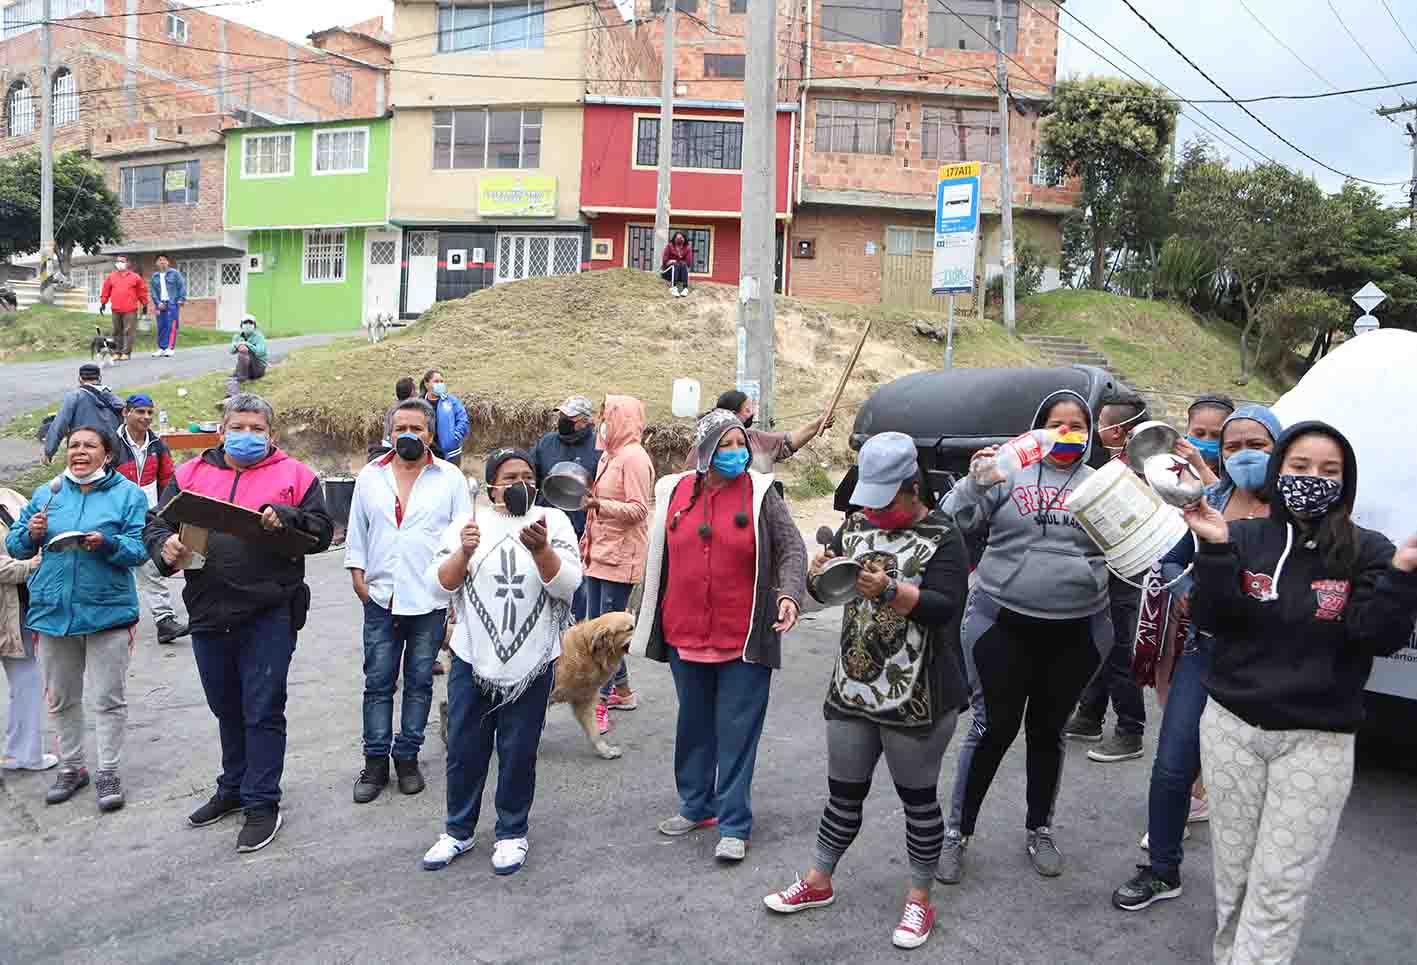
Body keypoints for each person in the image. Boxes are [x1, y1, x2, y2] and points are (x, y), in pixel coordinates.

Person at [1184, 421, 1417, 964]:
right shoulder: (1241, 537)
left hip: (1318, 743)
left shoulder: (1368, 551)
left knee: (1279, 888)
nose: (1313, 479)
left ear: (1346, 483)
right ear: (1279, 472)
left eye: (1329, 471)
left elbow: (1377, 637)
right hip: (1231, 731)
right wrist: (1214, 549)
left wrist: (1403, 577)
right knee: (1235, 879)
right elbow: (1214, 618)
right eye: (1300, 467)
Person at [762, 432, 970, 950]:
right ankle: (818, 880)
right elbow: (831, 590)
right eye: (867, 501)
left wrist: (894, 591)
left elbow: (947, 607)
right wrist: (815, 577)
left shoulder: (945, 535)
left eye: (884, 501)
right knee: (842, 794)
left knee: (917, 801)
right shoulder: (857, 526)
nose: (872, 511)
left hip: (919, 695)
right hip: (853, 689)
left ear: (910, 486)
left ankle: (920, 899)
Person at [144, 394, 333, 854]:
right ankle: (232, 787)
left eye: (256, 428)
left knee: (262, 707)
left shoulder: (297, 476)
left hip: (270, 610)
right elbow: (155, 524)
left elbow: (322, 533)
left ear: (271, 434)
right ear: (221, 429)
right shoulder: (190, 475)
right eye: (238, 427)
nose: (247, 435)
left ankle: (262, 802)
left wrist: (285, 517)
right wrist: (165, 546)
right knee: (225, 706)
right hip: (208, 610)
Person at [1112, 404, 1282, 913]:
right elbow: (1172, 557)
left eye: (1257, 445)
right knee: (1171, 767)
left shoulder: (1295, 512)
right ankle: (1162, 869)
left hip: (1269, 665)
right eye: (1233, 447)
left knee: (1258, 784)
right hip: (1202, 652)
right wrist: (1183, 584)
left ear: (1280, 450)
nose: (1243, 455)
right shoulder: (1214, 499)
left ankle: (1259, 889)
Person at [938, 389, 1109, 881]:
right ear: (1037, 428)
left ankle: (1040, 829)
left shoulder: (1100, 484)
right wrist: (975, 484)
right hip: (1001, 623)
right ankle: (956, 834)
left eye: (1078, 425)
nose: (1067, 432)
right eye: (1057, 423)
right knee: (992, 728)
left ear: (1091, 432)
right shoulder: (1005, 471)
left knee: (1047, 732)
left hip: (1077, 631)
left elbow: (1130, 548)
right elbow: (949, 516)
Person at [632, 410, 806, 862]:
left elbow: (791, 548)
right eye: (725, 446)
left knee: (736, 730)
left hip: (744, 636)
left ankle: (733, 823)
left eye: (741, 445)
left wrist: (788, 594)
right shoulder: (673, 491)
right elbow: (659, 559)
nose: (737, 454)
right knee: (693, 725)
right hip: (684, 633)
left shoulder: (762, 493)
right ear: (705, 450)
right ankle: (696, 805)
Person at [420, 448, 582, 875]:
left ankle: (512, 833)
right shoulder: (466, 524)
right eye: (509, 477)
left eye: (527, 476)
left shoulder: (554, 521)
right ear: (491, 484)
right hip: (473, 658)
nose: (519, 485)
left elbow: (568, 586)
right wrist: (464, 553)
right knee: (465, 750)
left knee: (518, 750)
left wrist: (544, 550)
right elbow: (438, 587)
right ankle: (458, 831)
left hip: (533, 660)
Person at [5, 426, 148, 811]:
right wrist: (30, 533)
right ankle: (71, 767)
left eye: (89, 446)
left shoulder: (128, 495)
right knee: (62, 698)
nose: (79, 452)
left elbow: (139, 549)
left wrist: (108, 544)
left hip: (107, 611)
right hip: (53, 613)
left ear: (107, 455)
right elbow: (15, 544)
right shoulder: (47, 493)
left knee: (107, 699)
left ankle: (108, 772)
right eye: (74, 446)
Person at [345, 399, 471, 805]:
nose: (408, 435)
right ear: (389, 433)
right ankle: (375, 761)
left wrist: (453, 593)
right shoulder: (370, 476)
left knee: (419, 684)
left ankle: (408, 758)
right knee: (378, 683)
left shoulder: (450, 479)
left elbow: (463, 538)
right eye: (401, 427)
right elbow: (357, 531)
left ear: (431, 435)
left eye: (417, 428)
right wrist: (358, 577)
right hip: (380, 597)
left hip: (429, 599)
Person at [1064, 391, 1152, 762]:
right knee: (1101, 641)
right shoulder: (1117, 466)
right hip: (1109, 571)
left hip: (1128, 573)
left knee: (1118, 648)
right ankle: (1090, 714)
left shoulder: (1137, 471)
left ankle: (1130, 730)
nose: (1096, 429)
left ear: (1117, 430)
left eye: (1100, 423)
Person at [583, 395, 654, 734]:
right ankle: (622, 691)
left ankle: (600, 703)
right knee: (599, 627)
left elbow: (639, 510)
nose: (602, 420)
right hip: (599, 554)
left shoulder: (634, 458)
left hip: (620, 557)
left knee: (606, 636)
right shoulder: (610, 455)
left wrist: (599, 504)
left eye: (606, 414)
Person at [111, 393, 186, 646]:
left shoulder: (157, 444)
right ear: (126, 413)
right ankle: (113, 618)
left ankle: (164, 620)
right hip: (116, 515)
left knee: (147, 564)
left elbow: (168, 480)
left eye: (150, 413)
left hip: (147, 516)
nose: (146, 417)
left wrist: (168, 513)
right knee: (113, 565)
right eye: (140, 412)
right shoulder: (111, 443)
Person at [0, 488, 56, 774]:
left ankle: (25, 753)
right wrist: (29, 566)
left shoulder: (10, 496)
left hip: (14, 609)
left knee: (28, 681)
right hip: (12, 596)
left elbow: (26, 536)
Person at [530, 395, 601, 621]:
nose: (562, 420)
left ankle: (573, 627)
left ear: (584, 421)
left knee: (575, 584)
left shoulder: (598, 447)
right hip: (546, 525)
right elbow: (532, 474)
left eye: (568, 417)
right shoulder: (547, 442)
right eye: (561, 415)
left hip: (580, 530)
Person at [682, 390, 833, 476]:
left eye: (742, 443)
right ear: (733, 414)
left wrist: (817, 423)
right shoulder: (702, 448)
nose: (737, 449)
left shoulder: (755, 437)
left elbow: (787, 441)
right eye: (726, 444)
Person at [43, 364, 123, 464]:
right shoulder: (114, 398)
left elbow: (60, 424)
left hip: (85, 450)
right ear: (99, 378)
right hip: (111, 452)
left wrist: (49, 451)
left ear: (80, 379)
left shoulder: (74, 396)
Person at [1176, 395, 1235, 487]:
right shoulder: (1172, 460)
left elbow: (1225, 498)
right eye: (1199, 433)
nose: (1206, 443)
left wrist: (1201, 468)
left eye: (1216, 436)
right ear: (1187, 429)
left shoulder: (1236, 473)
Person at [98, 255, 148, 362]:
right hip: (116, 309)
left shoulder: (135, 277)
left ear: (127, 264)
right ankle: (116, 352)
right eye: (118, 261)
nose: (119, 263)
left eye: (122, 261)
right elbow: (105, 291)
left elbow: (142, 292)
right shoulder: (111, 277)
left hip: (130, 309)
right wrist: (103, 303)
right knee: (116, 331)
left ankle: (126, 352)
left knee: (128, 331)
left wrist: (145, 304)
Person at [421, 368, 470, 465]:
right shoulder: (419, 403)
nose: (440, 384)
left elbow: (463, 419)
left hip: (451, 453)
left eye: (441, 381)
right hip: (426, 452)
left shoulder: (451, 401)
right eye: (436, 381)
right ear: (426, 384)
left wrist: (454, 437)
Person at [149, 254, 186, 358]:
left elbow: (181, 286)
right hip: (160, 304)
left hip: (172, 303)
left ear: (168, 262)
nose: (162, 262)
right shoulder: (154, 276)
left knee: (172, 326)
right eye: (159, 260)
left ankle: (170, 348)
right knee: (161, 326)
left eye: (164, 260)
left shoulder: (175, 273)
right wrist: (157, 303)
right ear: (156, 263)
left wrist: (181, 299)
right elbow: (153, 292)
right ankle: (161, 348)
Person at [225, 315, 269, 398]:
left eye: (250, 323)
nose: (248, 325)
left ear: (255, 326)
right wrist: (238, 345)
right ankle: (232, 397)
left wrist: (246, 344)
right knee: (230, 380)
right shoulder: (237, 337)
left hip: (258, 368)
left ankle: (241, 377)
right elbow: (231, 351)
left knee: (244, 351)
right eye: (245, 322)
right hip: (245, 367)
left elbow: (260, 352)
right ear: (241, 325)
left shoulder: (259, 337)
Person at [376, 377, 419, 455]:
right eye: (415, 390)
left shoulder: (393, 407)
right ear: (412, 392)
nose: (417, 393)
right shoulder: (406, 410)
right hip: (396, 449)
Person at [661, 231, 693, 297]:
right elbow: (664, 261)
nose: (679, 240)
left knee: (682, 264)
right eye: (677, 238)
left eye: (681, 238)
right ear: (674, 239)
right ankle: (673, 287)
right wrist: (670, 261)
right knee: (675, 264)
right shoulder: (669, 246)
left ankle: (685, 288)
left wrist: (679, 261)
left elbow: (688, 263)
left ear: (684, 239)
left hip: (680, 275)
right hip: (668, 273)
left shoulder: (687, 248)